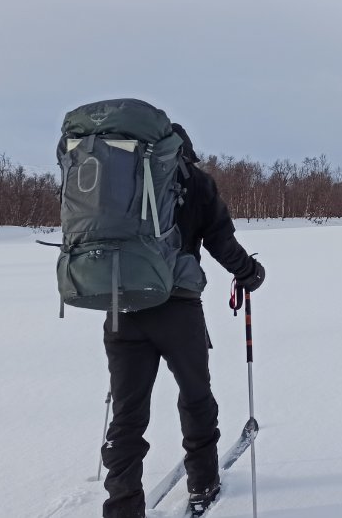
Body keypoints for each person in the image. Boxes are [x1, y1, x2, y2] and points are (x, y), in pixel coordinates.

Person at [101, 123, 265, 518]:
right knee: (196, 397)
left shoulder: (117, 180)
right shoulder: (196, 182)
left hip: (121, 309)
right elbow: (221, 243)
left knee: (127, 413)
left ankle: (122, 507)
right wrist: (249, 273)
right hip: (178, 309)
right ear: (183, 150)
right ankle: (203, 481)